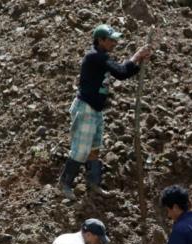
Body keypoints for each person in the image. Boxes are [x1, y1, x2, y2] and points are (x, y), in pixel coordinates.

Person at [59, 24, 152, 200]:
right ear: (100, 40)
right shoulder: (95, 56)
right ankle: (65, 184)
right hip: (85, 107)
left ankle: (93, 183)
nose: (114, 43)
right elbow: (121, 72)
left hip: (95, 109)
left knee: (94, 149)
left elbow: (123, 72)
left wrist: (139, 61)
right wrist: (137, 56)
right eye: (110, 40)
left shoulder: (101, 57)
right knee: (80, 149)